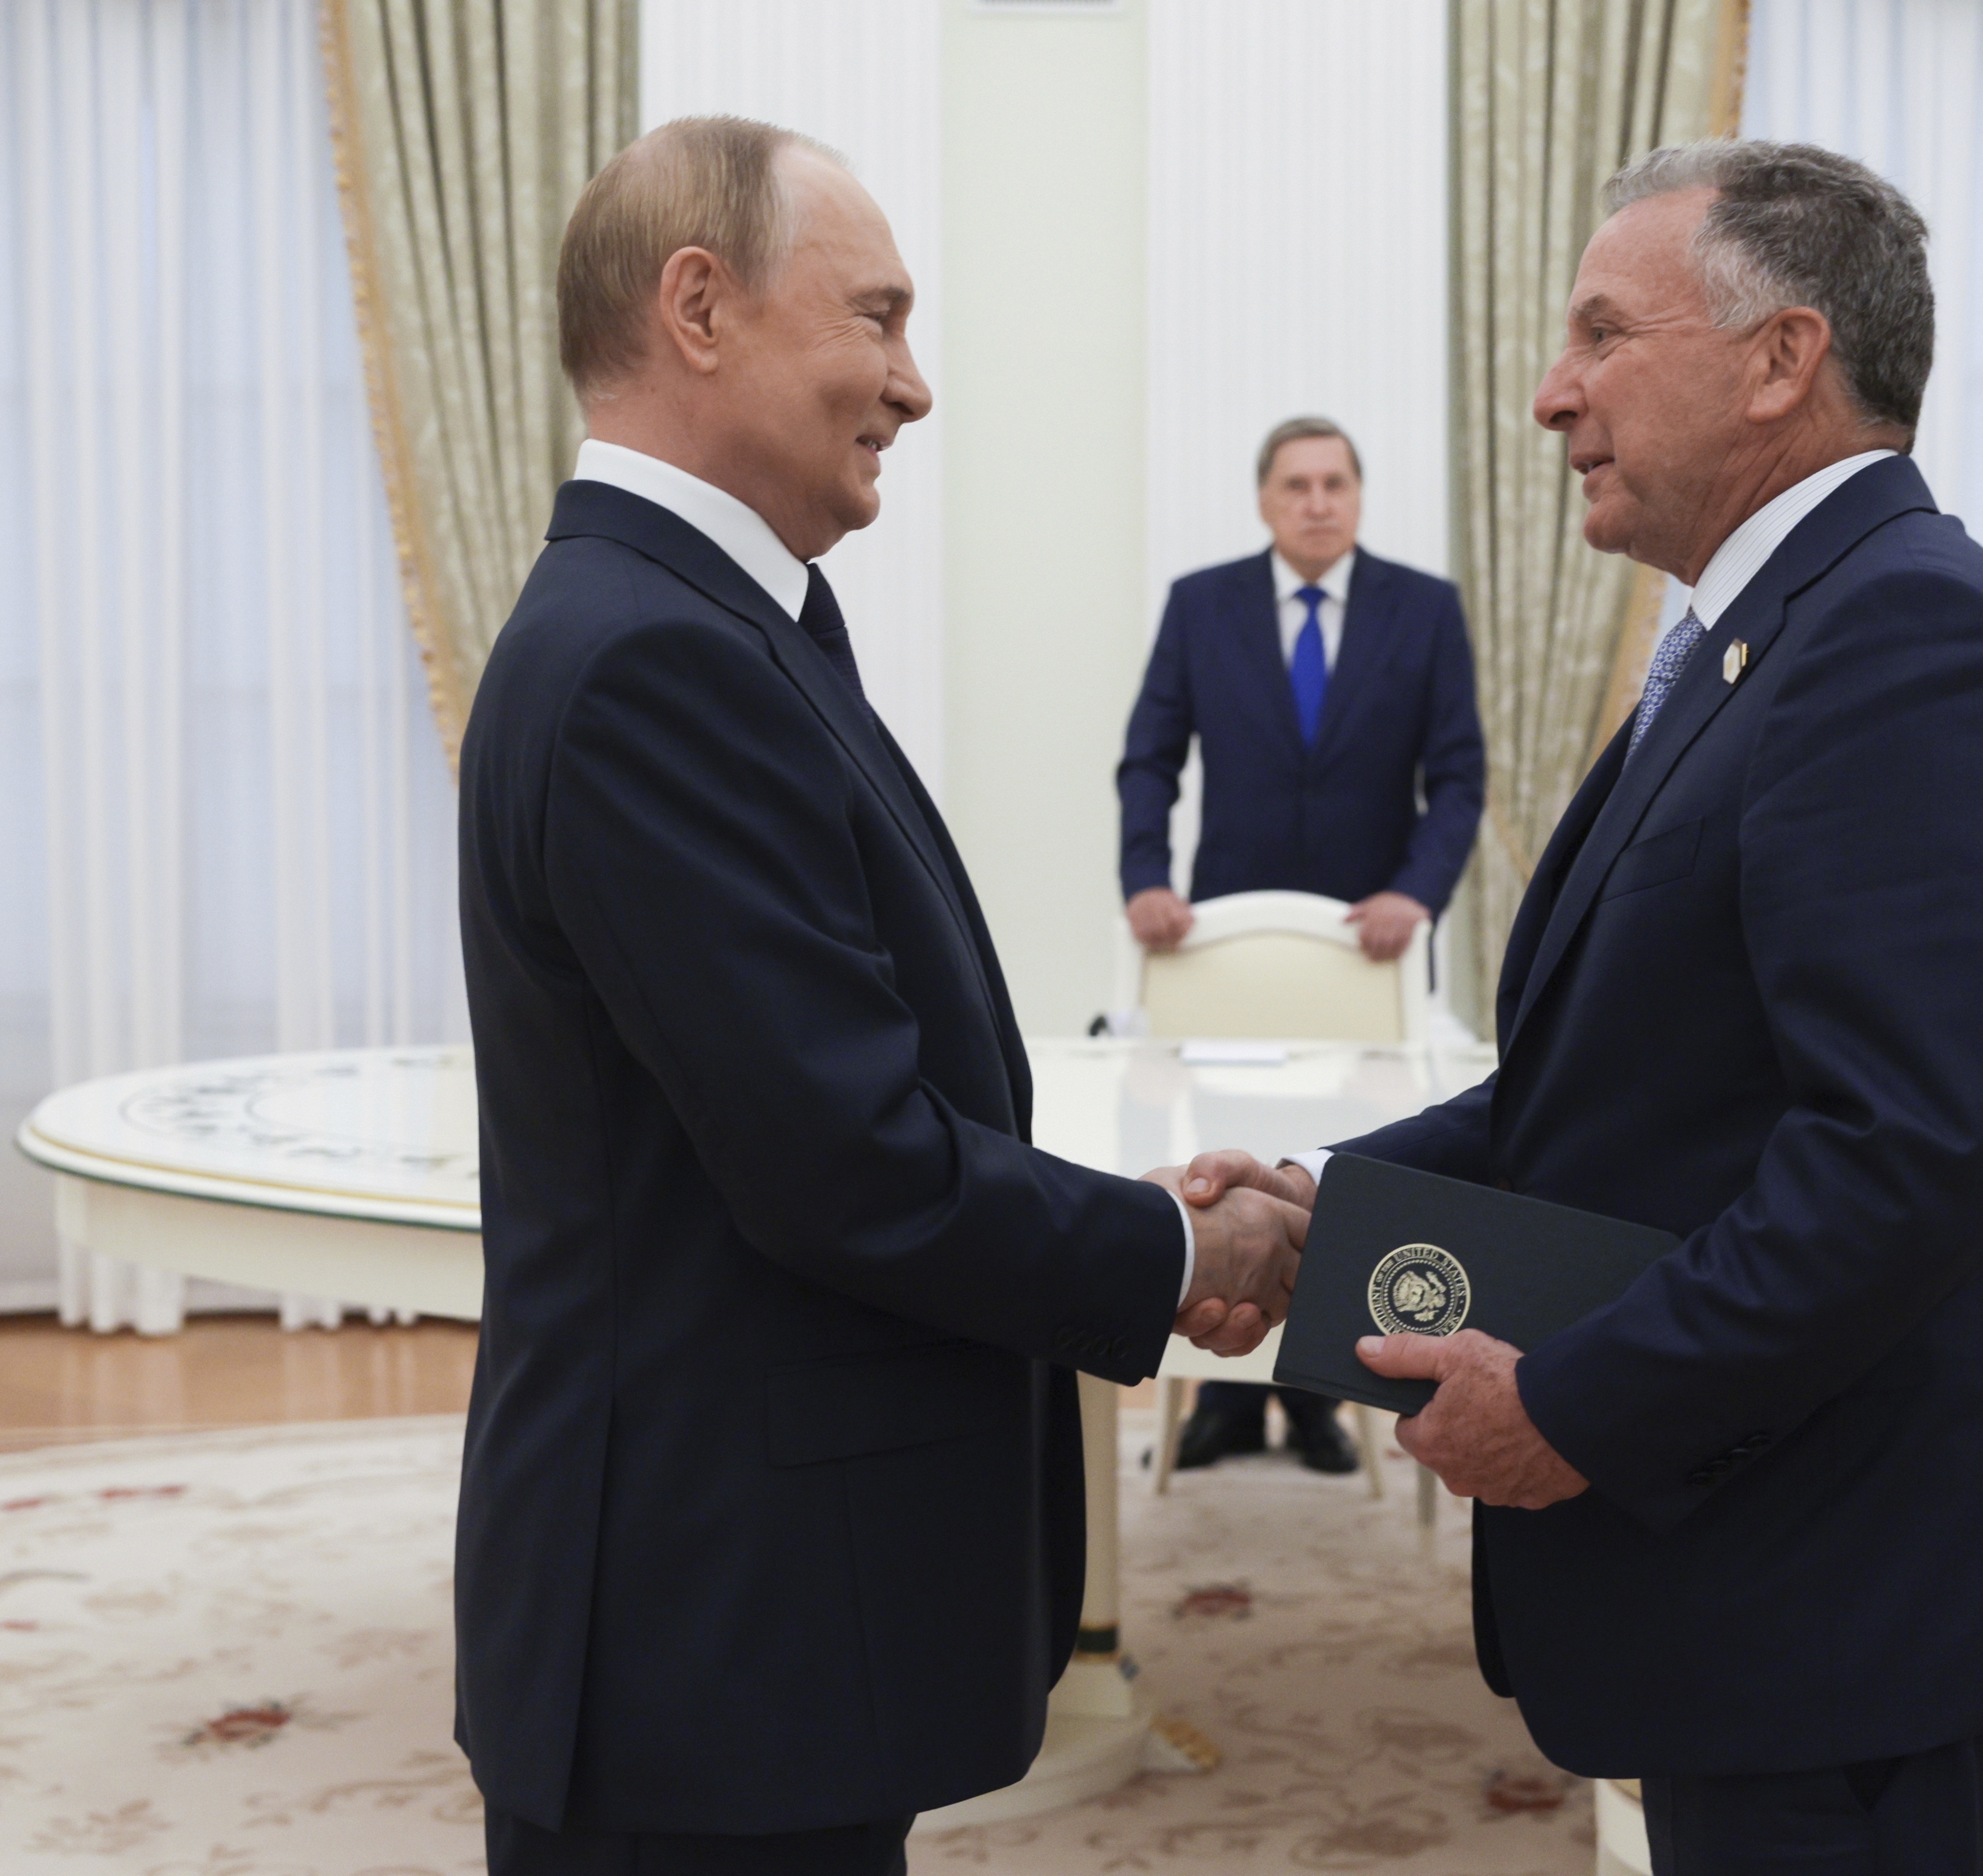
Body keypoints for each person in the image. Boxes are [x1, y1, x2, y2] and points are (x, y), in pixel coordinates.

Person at [1181, 141, 1983, 1875]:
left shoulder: (1914, 643)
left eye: (1603, 335)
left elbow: (1899, 1162)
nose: (1554, 397)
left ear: (1782, 360)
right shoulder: (1764, 637)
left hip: (1866, 1619)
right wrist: (1334, 1214)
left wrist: (1580, 1406)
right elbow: (1619, 1080)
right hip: (1775, 1595)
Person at [454, 118, 1305, 1876]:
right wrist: (1167, 1254)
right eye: (879, 317)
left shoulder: (710, 623)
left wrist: (1129, 1217)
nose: (914, 387)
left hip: (744, 1626)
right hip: (708, 1637)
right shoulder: (652, 662)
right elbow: (843, 1161)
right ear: (700, 307)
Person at [1118, 417, 1485, 1477]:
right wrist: (1145, 875)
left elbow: (1456, 777)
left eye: (1334, 483)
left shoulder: (1424, 611)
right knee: (1228, 1166)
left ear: (1358, 498)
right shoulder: (1202, 605)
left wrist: (1414, 894)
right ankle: (1222, 1406)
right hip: (1222, 951)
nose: (1316, 500)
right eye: (1296, 484)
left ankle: (1318, 1393)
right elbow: (1149, 758)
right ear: (1265, 502)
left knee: (1339, 1167)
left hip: (1361, 958)